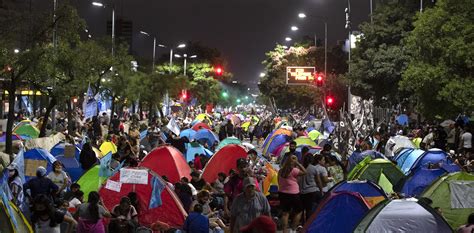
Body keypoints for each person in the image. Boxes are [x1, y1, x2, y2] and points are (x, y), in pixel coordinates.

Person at [278, 155, 306, 233]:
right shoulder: (294, 170)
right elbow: (305, 172)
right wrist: (298, 163)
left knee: (285, 213)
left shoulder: (281, 170)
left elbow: (278, 182)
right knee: (299, 211)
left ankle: (284, 230)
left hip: (282, 193)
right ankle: (293, 229)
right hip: (294, 193)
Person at [299, 154, 321, 221]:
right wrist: (321, 190)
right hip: (312, 191)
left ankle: (302, 223)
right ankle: (308, 224)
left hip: (301, 191)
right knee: (309, 209)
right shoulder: (313, 168)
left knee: (302, 209)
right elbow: (318, 181)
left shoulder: (300, 167)